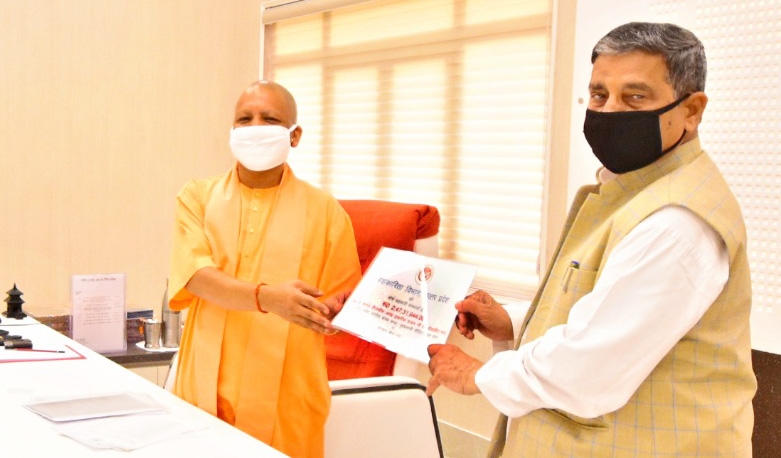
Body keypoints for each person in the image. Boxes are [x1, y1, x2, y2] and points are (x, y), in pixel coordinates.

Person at [426, 22, 756, 457]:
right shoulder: (633, 192)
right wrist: (512, 322)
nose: (610, 112)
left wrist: (475, 375)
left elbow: (587, 371)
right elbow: (606, 312)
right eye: (599, 95)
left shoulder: (676, 222)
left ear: (691, 111)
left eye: (635, 97)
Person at [167, 80, 362, 458]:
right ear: (231, 130)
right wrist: (267, 298)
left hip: (287, 394)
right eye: (245, 119)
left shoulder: (326, 211)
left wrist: (334, 313)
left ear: (295, 135)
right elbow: (196, 277)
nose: (255, 127)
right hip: (205, 387)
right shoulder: (197, 197)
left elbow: (342, 304)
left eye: (269, 119)